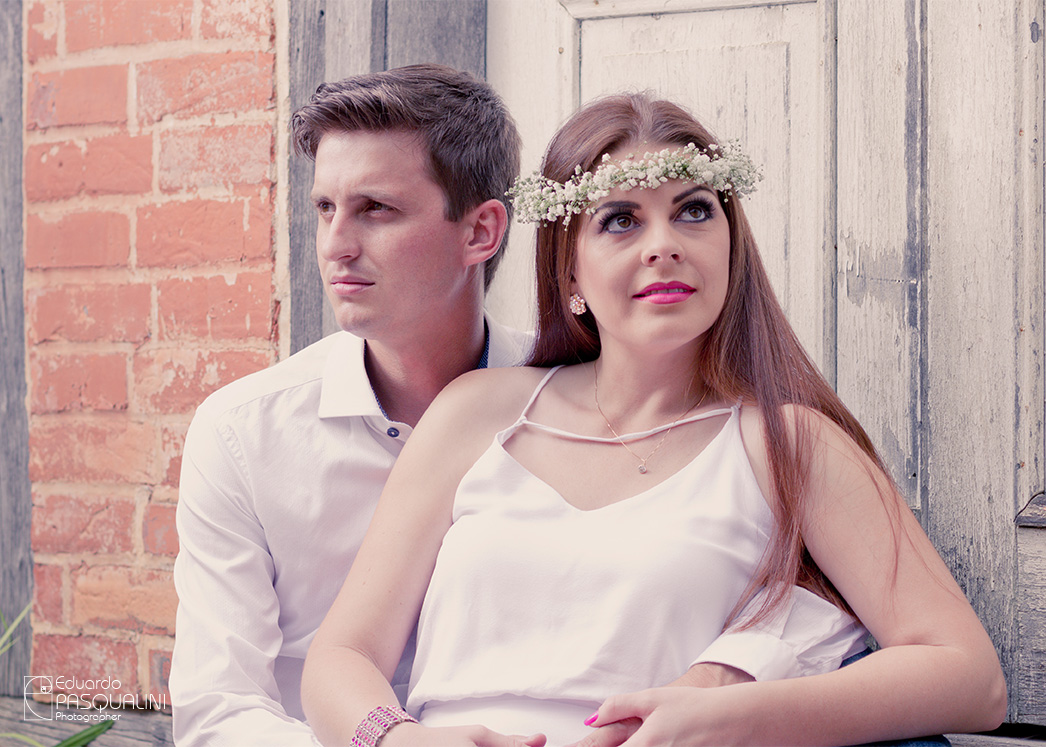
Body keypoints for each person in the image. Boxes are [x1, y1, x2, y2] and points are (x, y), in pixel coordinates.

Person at [169, 67, 854, 746]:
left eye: (376, 208)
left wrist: (736, 670)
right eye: (324, 208)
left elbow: (812, 591)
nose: (335, 245)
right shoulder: (243, 434)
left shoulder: (583, 400)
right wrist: (388, 740)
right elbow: (219, 709)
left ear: (482, 232)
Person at [300, 92, 1007, 747]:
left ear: (731, 241)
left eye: (694, 210)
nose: (663, 242)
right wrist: (399, 738)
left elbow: (970, 677)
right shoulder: (478, 412)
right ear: (569, 275)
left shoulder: (787, 443)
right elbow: (341, 654)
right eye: (620, 220)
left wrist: (730, 717)